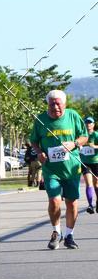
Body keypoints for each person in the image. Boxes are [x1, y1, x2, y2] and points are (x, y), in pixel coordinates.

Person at [30, 90, 87, 250]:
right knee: (54, 201)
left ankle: (69, 235)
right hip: (51, 169)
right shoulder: (40, 120)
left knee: (71, 202)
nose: (55, 106)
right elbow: (33, 141)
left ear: (64, 104)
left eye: (58, 103)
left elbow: (84, 136)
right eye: (52, 103)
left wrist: (74, 143)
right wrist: (39, 152)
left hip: (71, 168)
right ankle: (56, 232)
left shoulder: (73, 116)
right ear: (47, 104)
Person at [80, 116, 98, 213]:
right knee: (88, 183)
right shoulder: (82, 136)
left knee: (96, 185)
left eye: (90, 122)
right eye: (86, 122)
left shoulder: (96, 135)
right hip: (85, 162)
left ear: (93, 124)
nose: (88, 124)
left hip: (96, 162)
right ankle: (90, 205)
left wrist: (94, 146)